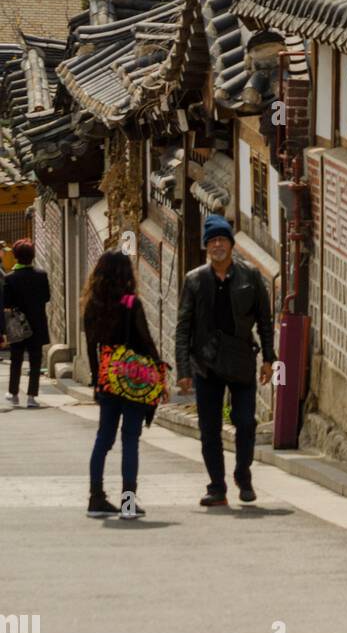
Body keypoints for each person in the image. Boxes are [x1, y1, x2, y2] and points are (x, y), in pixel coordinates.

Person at [175, 214, 274, 507]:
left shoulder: (251, 277)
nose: (218, 245)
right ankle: (216, 486)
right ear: (207, 247)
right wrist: (184, 370)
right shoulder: (194, 280)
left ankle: (243, 475)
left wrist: (269, 359)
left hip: (242, 358)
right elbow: (183, 327)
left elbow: (264, 322)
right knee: (209, 429)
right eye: (213, 241)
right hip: (206, 363)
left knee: (245, 422)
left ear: (231, 245)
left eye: (223, 240)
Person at [83, 250, 163, 518]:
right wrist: (159, 374)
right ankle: (128, 503)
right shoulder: (131, 303)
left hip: (107, 378)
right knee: (130, 440)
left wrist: (97, 382)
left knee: (103, 439)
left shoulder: (92, 304)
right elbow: (146, 341)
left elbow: (91, 347)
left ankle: (96, 498)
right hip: (132, 380)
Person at [3, 239, 49, 407]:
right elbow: (47, 297)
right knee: (35, 359)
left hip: (17, 324)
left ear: (15, 256)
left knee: (16, 359)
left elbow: (6, 304)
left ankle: (14, 393)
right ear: (32, 256)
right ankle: (31, 397)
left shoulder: (10, 278)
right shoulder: (41, 275)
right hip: (37, 323)